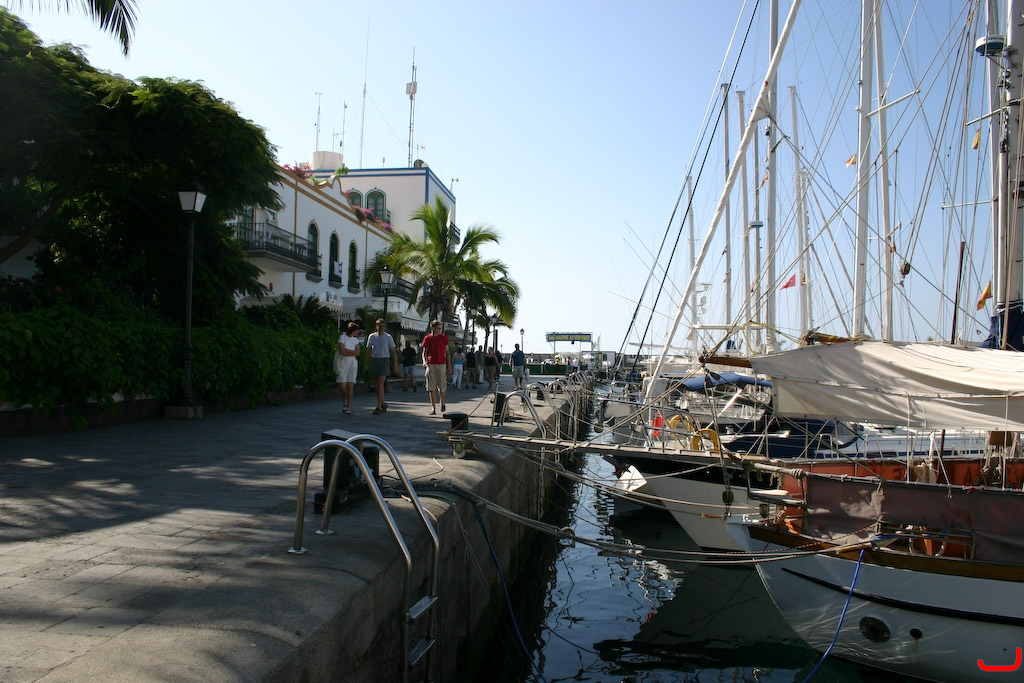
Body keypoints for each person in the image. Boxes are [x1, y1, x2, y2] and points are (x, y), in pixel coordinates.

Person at [364, 318, 397, 415]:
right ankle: (383, 403)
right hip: (375, 360)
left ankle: (378, 406)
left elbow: (393, 351)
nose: (381, 328)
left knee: (380, 383)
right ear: (376, 326)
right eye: (379, 326)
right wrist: (366, 363)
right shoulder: (372, 337)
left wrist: (395, 363)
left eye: (382, 326)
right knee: (377, 385)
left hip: (384, 360)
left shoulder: (388, 337)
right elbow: (369, 350)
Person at [421, 320, 451, 415]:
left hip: (441, 363)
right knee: (431, 386)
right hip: (431, 363)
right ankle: (433, 407)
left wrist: (449, 366)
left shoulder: (443, 337)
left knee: (442, 385)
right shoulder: (427, 338)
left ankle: (442, 401)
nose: (439, 330)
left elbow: (447, 352)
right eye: (438, 328)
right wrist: (424, 361)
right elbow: (424, 352)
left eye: (440, 328)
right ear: (433, 328)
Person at [336, 321, 361, 415]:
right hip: (343, 362)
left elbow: (357, 352)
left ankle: (348, 406)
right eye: (356, 331)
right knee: (343, 386)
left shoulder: (355, 340)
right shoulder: (343, 337)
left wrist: (348, 351)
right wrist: (351, 352)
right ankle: (344, 401)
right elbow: (342, 351)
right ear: (353, 330)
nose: (357, 333)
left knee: (350, 385)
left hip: (352, 363)